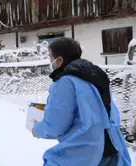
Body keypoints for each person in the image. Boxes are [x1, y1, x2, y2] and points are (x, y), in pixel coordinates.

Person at [32, 38, 131, 166]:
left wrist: (37, 129)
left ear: (60, 60)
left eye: (50, 57)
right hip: (112, 147)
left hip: (85, 153)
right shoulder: (95, 74)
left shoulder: (65, 82)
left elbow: (56, 125)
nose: (50, 61)